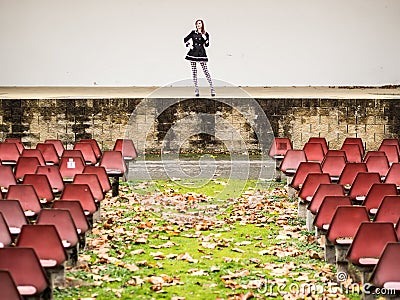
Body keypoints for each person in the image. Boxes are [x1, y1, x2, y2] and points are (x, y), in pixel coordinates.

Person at [184, 19, 215, 97]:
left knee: (205, 70)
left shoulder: (206, 33)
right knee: (194, 71)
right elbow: (185, 39)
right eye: (197, 23)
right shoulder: (193, 32)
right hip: (193, 53)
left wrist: (205, 39)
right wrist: (189, 45)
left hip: (201, 53)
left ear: (202, 24)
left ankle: (212, 88)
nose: (198, 25)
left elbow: (207, 45)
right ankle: (196, 89)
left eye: (200, 23)